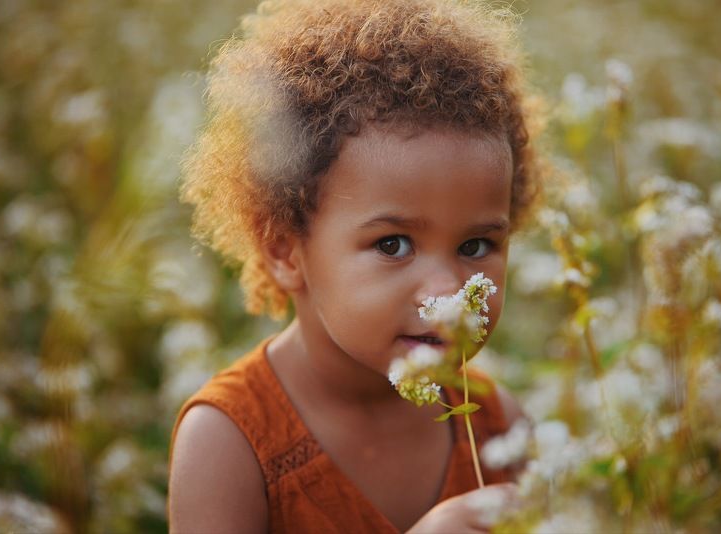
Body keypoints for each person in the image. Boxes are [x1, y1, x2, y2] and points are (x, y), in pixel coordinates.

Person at [168, 0, 541, 531]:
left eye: (476, 246)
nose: (446, 292)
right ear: (284, 251)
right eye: (393, 245)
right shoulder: (229, 443)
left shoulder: (498, 425)